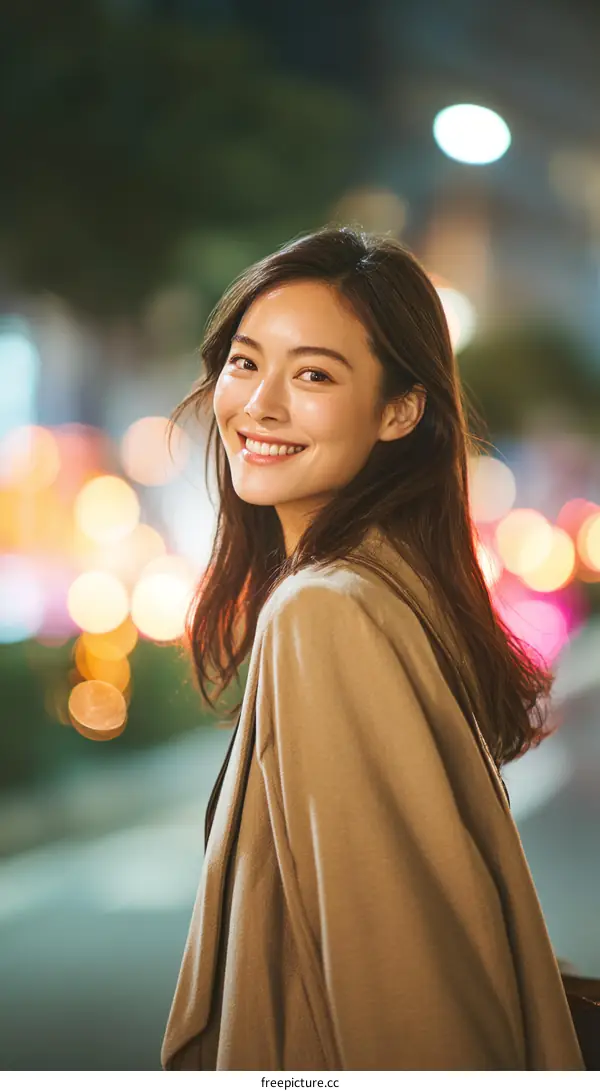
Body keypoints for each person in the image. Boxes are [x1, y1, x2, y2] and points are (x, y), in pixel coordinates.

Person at [160, 225, 584, 1070]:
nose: (261, 404)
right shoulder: (393, 587)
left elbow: (411, 991)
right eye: (245, 362)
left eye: (313, 374)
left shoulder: (323, 612)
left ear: (400, 410)